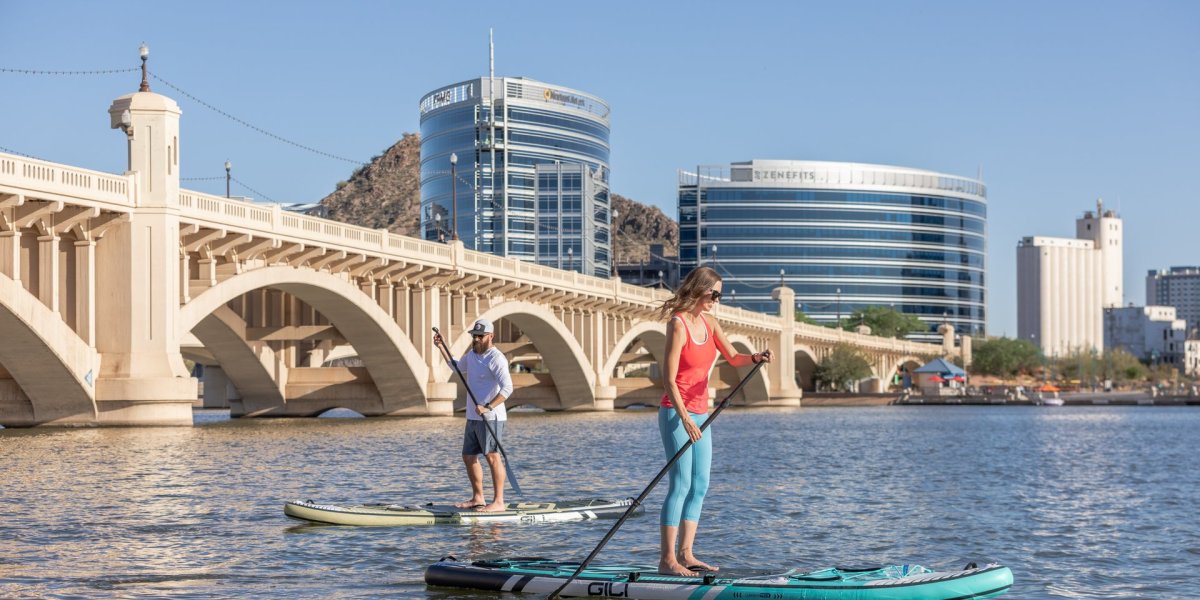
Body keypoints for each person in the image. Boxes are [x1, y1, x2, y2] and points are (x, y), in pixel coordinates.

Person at [656, 266, 771, 576]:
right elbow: (668, 379)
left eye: (720, 295)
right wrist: (685, 418)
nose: (717, 300)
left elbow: (733, 357)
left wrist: (756, 357)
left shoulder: (712, 324)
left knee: (700, 484)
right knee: (679, 485)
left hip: (701, 415)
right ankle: (667, 560)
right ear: (699, 290)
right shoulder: (677, 324)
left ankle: (687, 553)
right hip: (675, 412)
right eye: (714, 294)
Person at [434, 318, 513, 512]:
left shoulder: (496, 358)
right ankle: (478, 498)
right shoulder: (471, 356)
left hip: (491, 418)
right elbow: (456, 367)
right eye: (474, 336)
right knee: (469, 457)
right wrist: (441, 347)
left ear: (490, 336)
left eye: (480, 336)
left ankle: (499, 502)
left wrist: (488, 406)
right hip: (473, 417)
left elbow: (508, 388)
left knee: (492, 457)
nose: (476, 339)